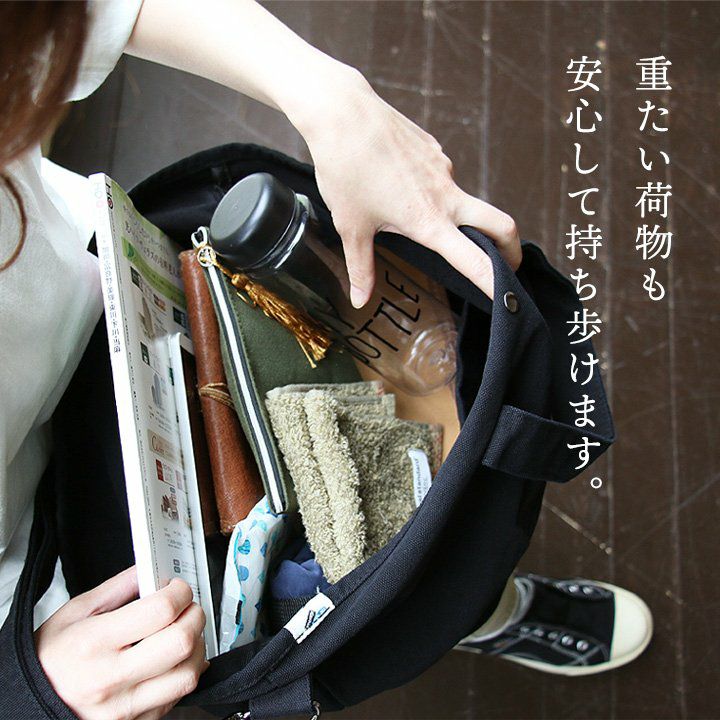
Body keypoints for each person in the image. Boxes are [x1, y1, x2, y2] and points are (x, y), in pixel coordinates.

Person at [0, 1, 652, 718]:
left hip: (113, 291)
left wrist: (330, 98)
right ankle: (453, 606)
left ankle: (472, 601)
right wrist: (27, 693)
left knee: (429, 540)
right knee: (367, 592)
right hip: (64, 599)